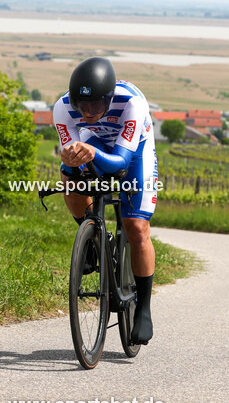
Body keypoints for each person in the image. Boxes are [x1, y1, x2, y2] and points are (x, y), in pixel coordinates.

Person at [52, 56, 158, 344]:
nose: (88, 111)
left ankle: (144, 309)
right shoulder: (62, 107)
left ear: (109, 98)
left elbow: (120, 163)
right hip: (96, 141)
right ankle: (92, 236)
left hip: (134, 152)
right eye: (82, 105)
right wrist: (72, 160)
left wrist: (92, 154)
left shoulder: (132, 103)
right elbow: (71, 159)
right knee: (69, 175)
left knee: (136, 227)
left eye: (96, 104)